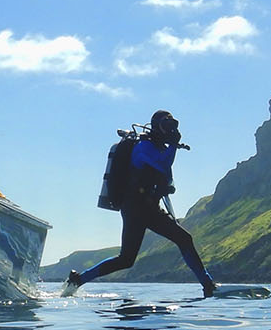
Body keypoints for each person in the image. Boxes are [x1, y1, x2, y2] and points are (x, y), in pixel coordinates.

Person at [64, 110, 217, 297]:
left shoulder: (160, 148)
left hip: (151, 207)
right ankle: (78, 279)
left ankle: (208, 285)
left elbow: (165, 175)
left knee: (184, 239)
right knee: (126, 259)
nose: (170, 129)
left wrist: (166, 183)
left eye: (173, 125)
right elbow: (161, 165)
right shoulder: (143, 147)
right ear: (156, 126)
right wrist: (174, 146)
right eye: (166, 125)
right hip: (134, 208)